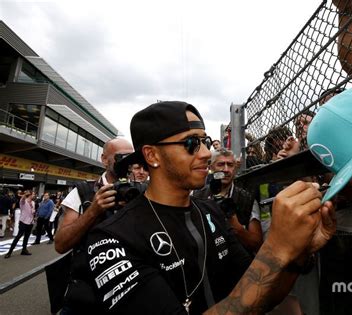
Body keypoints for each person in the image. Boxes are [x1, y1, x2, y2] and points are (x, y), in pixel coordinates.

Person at [85, 101, 336, 314]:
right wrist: (277, 248)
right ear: (151, 156)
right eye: (191, 143)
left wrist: (297, 251)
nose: (206, 153)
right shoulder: (112, 240)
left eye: (204, 141)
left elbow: (259, 293)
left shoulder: (211, 212)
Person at [55, 138, 134, 254]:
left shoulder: (139, 191)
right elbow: (60, 245)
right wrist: (93, 211)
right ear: (105, 159)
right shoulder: (83, 192)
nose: (127, 162)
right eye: (122, 157)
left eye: (131, 158)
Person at [193, 148, 263, 254]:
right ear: (211, 167)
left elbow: (256, 243)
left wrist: (237, 227)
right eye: (221, 164)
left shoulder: (247, 199)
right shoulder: (198, 195)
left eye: (230, 165)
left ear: (235, 168)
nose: (226, 170)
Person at [5, 190, 35, 258]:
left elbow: (32, 211)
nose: (34, 196)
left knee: (26, 237)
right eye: (33, 194)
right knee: (18, 236)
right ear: (29, 195)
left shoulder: (33, 202)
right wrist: (25, 194)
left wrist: (33, 215)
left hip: (30, 222)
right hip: (23, 222)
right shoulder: (23, 202)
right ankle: (9, 252)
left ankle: (24, 250)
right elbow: (22, 199)